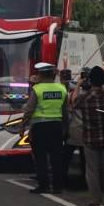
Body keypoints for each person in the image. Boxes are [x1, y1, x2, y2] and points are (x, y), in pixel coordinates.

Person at [73, 66, 104, 206]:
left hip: (90, 138)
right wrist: (103, 87)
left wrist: (79, 84)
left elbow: (73, 101)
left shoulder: (85, 97)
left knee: (92, 171)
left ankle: (95, 201)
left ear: (90, 80)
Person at [22, 63, 68, 194]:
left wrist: (22, 126)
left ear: (42, 75)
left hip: (40, 127)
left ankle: (44, 185)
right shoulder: (62, 89)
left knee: (40, 158)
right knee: (56, 158)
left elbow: (29, 110)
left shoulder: (37, 89)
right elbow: (65, 112)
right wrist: (66, 128)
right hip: (57, 127)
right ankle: (58, 186)